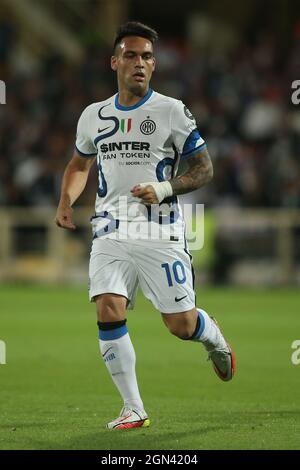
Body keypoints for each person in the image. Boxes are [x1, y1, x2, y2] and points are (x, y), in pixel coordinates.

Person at [55, 21, 235, 430]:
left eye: (148, 57)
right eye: (132, 55)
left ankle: (213, 337)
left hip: (160, 230)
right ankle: (133, 407)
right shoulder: (93, 116)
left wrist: (167, 187)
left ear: (154, 65)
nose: (140, 63)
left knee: (180, 325)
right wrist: (66, 200)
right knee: (107, 306)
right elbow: (79, 164)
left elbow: (204, 169)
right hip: (109, 229)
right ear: (114, 61)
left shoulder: (171, 111)